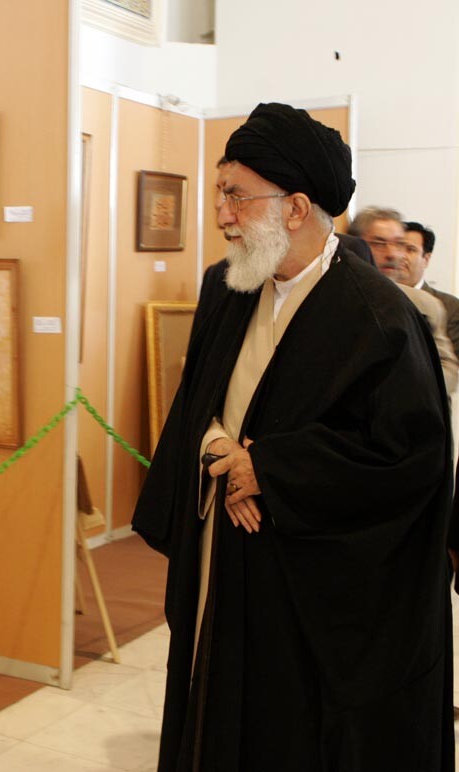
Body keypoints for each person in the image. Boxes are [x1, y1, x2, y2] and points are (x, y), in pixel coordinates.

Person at [133, 102, 454, 771]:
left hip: (307, 590)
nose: (220, 213)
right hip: (224, 557)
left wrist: (273, 471)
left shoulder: (378, 316)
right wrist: (220, 452)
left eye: (235, 195)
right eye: (220, 193)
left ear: (297, 208)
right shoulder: (230, 288)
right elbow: (196, 405)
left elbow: (409, 462)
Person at [349, 209, 458, 398]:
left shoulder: (426, 305)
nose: (392, 254)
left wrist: (409, 389)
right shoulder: (336, 298)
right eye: (379, 243)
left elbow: (447, 368)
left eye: (399, 244)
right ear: (355, 246)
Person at [404, 221, 459, 359]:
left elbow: (450, 361)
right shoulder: (375, 297)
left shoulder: (450, 306)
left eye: (410, 249)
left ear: (426, 259)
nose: (401, 255)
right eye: (398, 247)